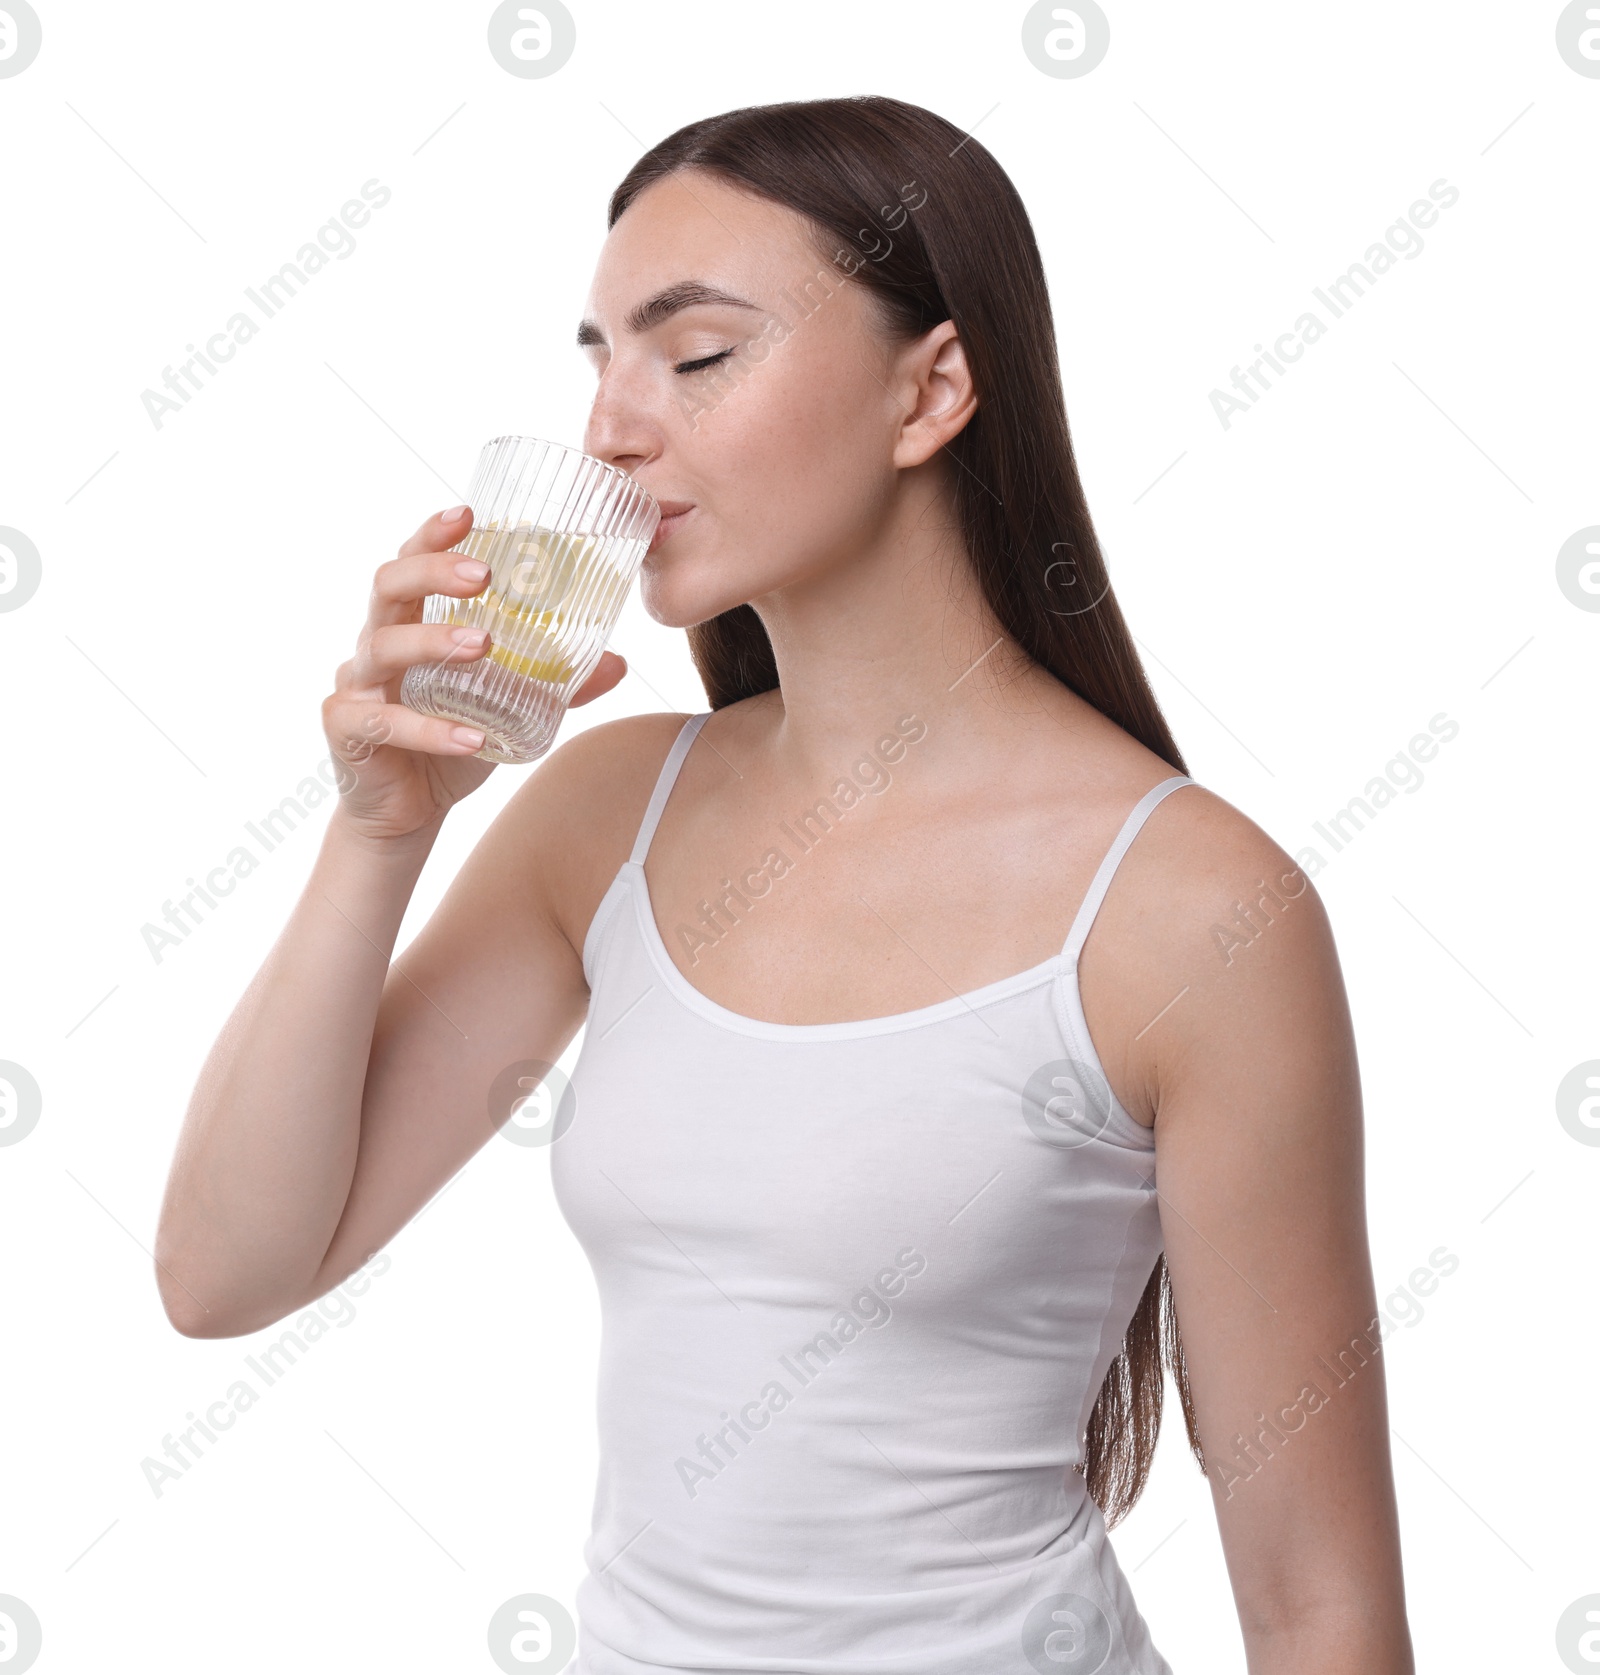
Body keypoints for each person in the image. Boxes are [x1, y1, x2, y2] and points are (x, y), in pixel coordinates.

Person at [155, 95, 1414, 1674]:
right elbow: (223, 1275)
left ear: (931, 388)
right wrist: (379, 835)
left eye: (695, 357)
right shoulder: (612, 810)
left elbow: (1320, 1610)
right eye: (599, 357)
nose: (614, 425)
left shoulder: (1188, 912)